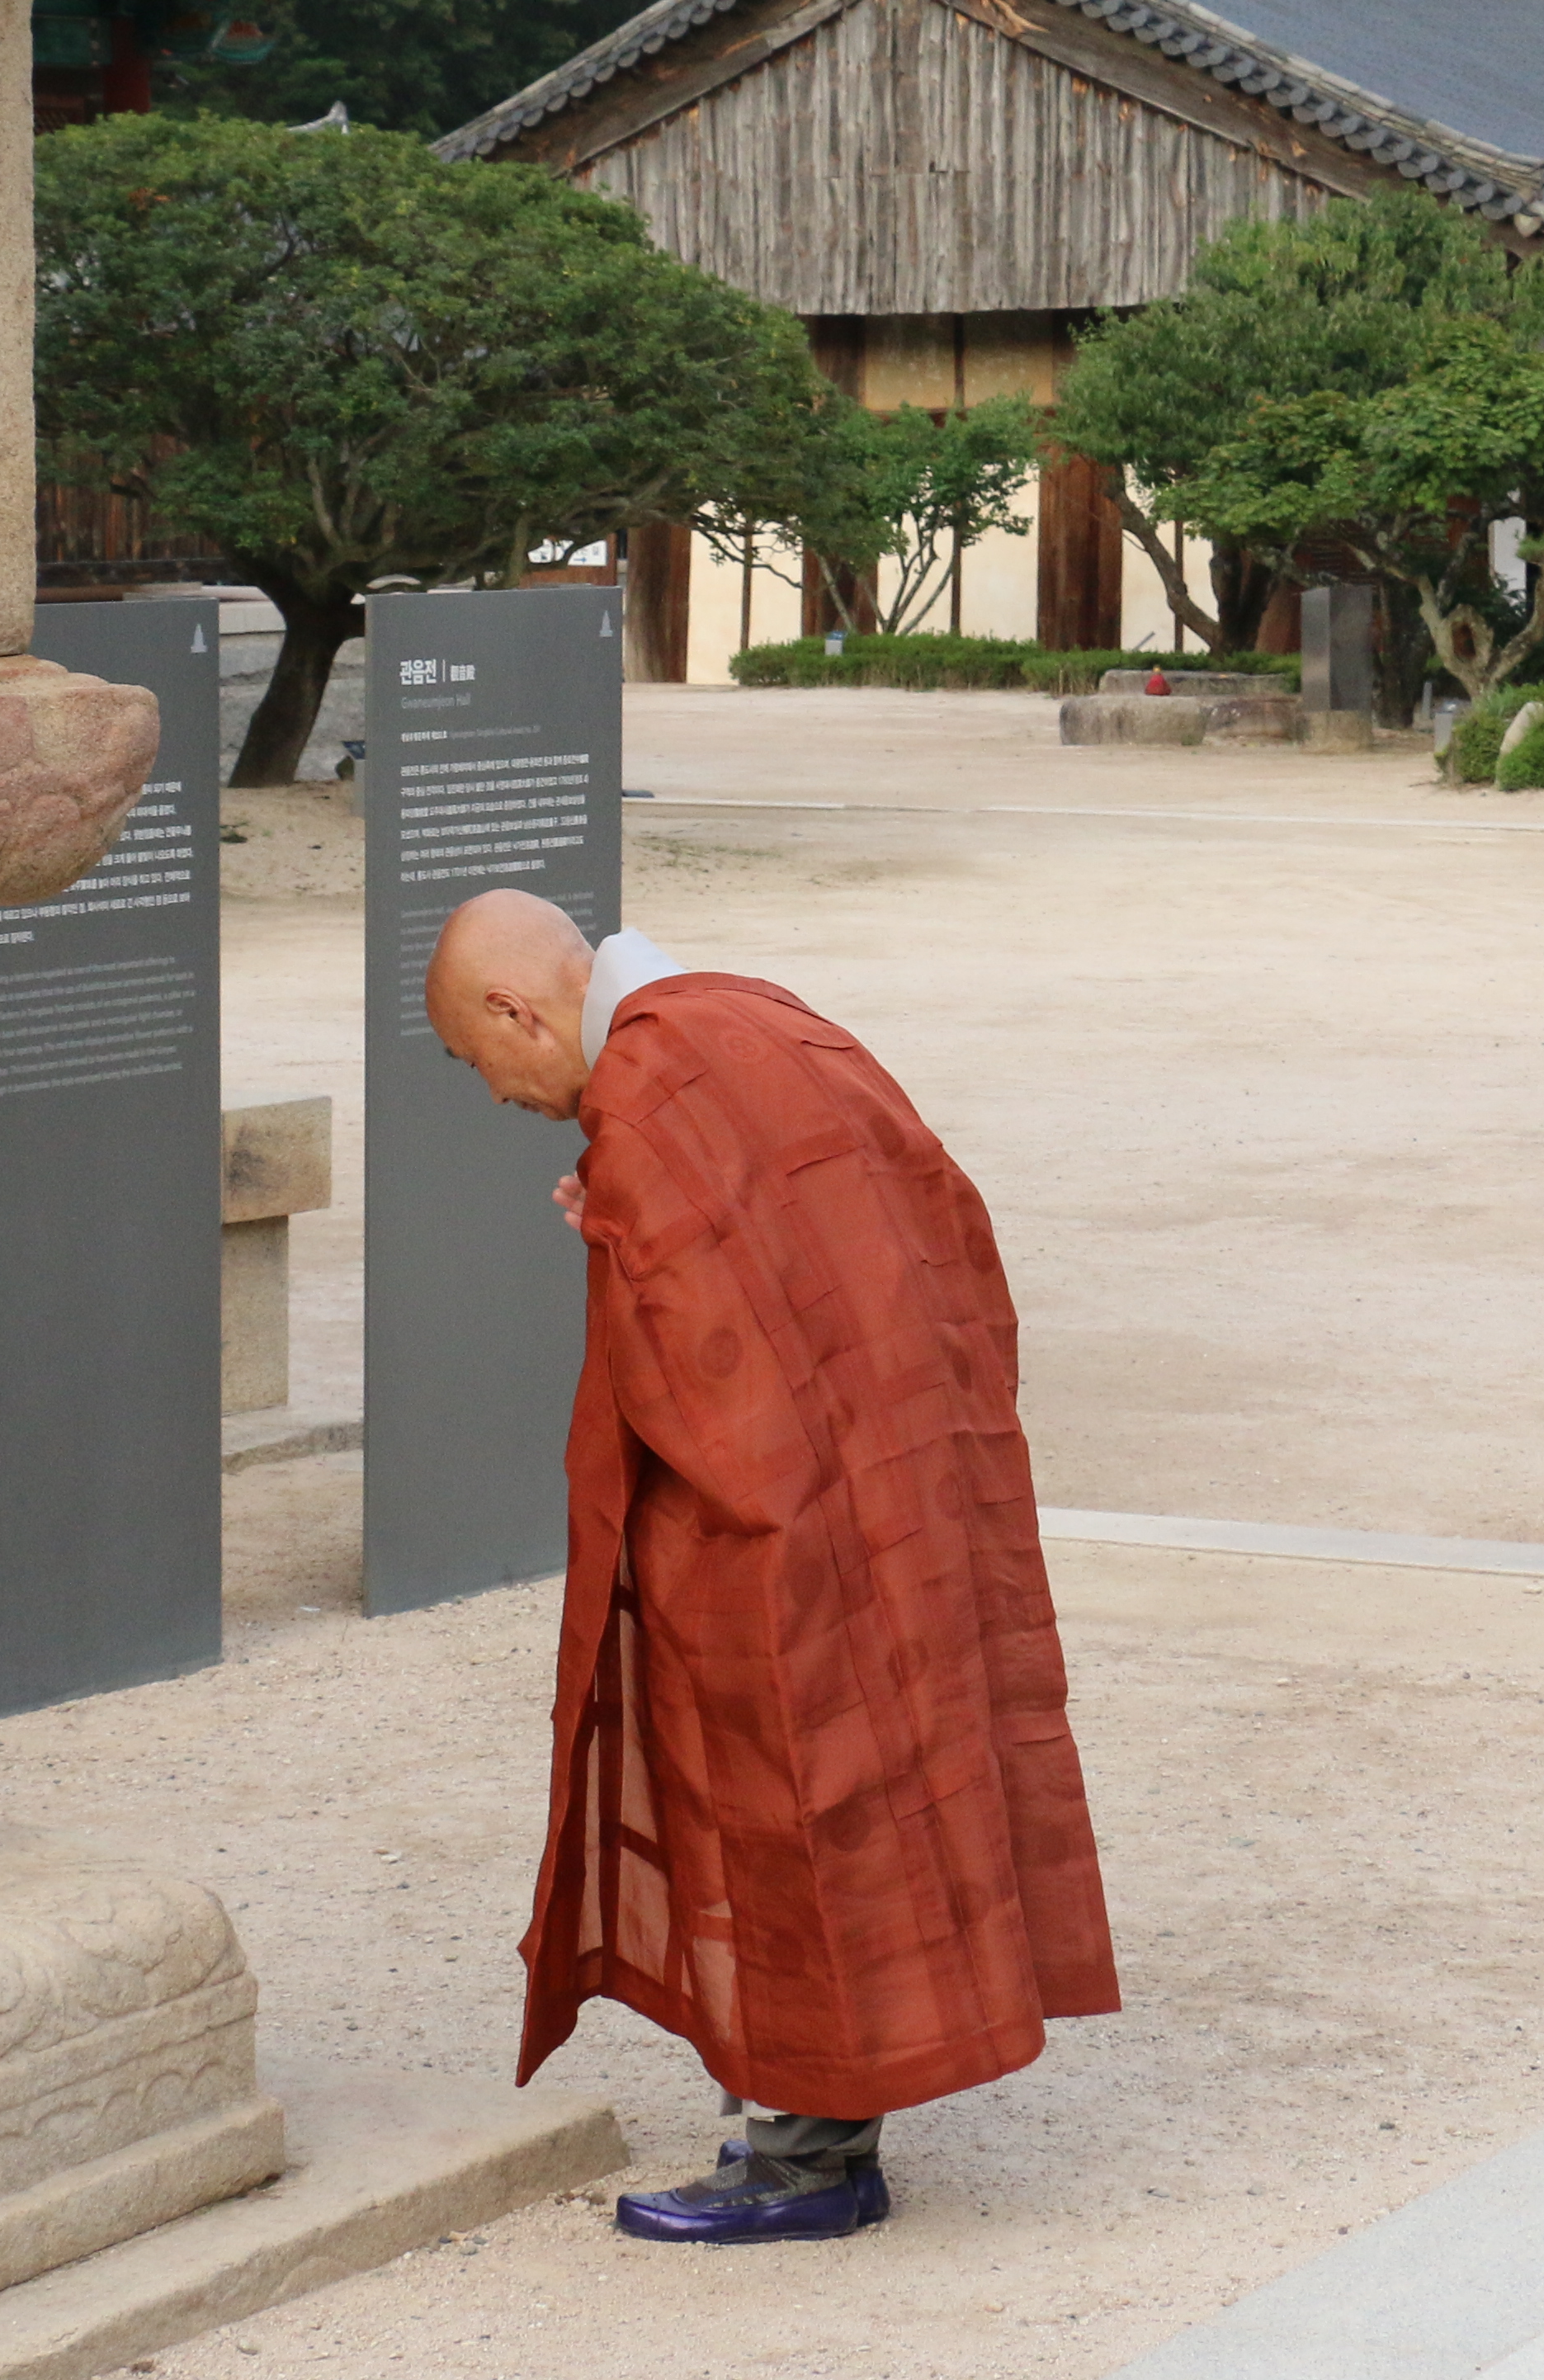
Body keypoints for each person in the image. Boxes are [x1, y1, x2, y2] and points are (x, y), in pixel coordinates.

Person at [420, 889, 1118, 2245]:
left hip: (786, 1510)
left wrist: (639, 1234)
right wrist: (633, 1218)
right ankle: (829, 2120)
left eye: (474, 1060)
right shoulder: (757, 1016)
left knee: (773, 1784)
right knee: (882, 1776)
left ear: (516, 1010)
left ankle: (807, 2163)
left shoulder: (658, 1081)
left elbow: (696, 1359)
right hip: (898, 1464)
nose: (495, 1094)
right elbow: (923, 1215)